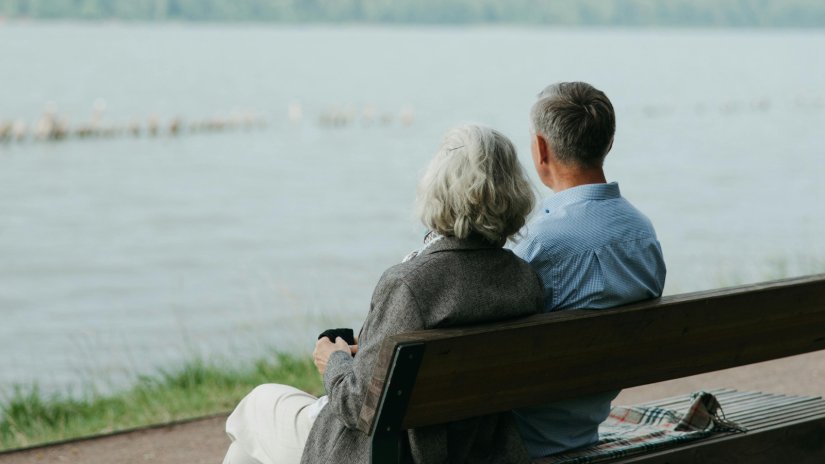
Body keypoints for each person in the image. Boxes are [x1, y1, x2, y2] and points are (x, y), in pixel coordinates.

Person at [223, 124, 545, 464]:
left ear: (437, 192)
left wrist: (333, 360)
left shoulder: (409, 284)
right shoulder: (524, 280)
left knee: (254, 409)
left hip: (393, 453)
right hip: (481, 450)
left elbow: (358, 406)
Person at [510, 82, 667, 458]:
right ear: (608, 143)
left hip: (522, 436)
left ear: (541, 149)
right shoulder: (642, 234)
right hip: (588, 420)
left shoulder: (536, 243)